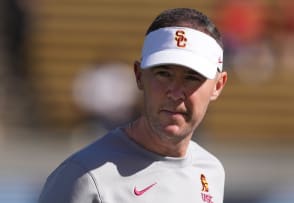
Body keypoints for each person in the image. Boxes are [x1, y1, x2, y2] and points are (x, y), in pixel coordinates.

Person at [39, 7, 228, 203]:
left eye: (191, 77)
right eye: (163, 74)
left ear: (218, 85)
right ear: (139, 76)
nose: (175, 92)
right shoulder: (85, 177)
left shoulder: (211, 170)